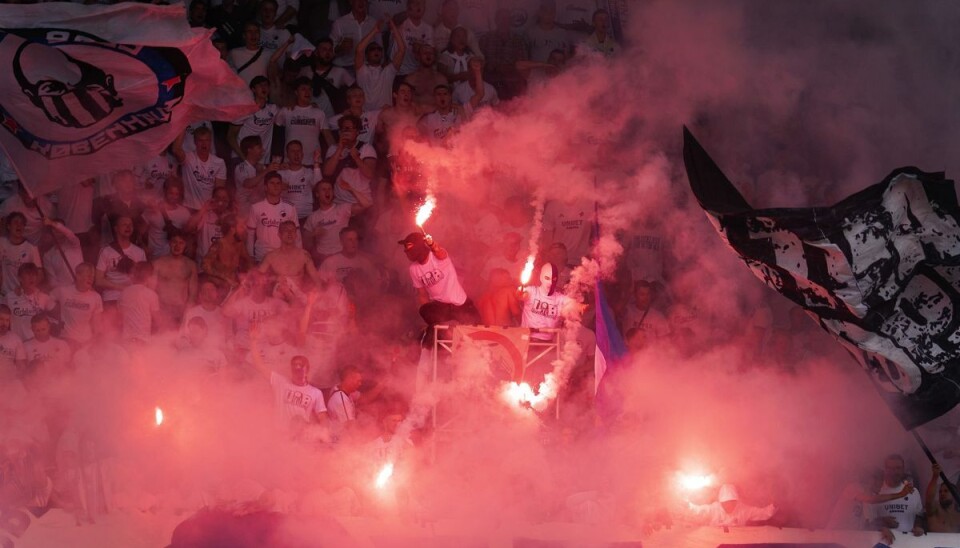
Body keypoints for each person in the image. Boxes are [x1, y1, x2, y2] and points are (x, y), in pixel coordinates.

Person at [399, 231, 479, 339]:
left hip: (461, 305)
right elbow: (422, 294)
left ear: (418, 246)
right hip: (441, 308)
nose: (406, 251)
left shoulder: (436, 256)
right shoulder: (414, 269)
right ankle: (446, 330)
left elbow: (439, 253)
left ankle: (454, 327)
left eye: (408, 247)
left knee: (478, 333)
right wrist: (429, 317)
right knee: (424, 311)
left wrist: (432, 244)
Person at [302, 180, 365, 264]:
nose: (327, 191)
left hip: (341, 255)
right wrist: (313, 234)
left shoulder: (342, 209)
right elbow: (305, 243)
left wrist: (351, 189)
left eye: (329, 189)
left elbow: (365, 204)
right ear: (317, 194)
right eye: (323, 189)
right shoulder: (313, 217)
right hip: (322, 257)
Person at [323, 115, 376, 209]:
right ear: (339, 132)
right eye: (344, 128)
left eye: (350, 128)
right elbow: (327, 172)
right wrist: (339, 149)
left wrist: (356, 158)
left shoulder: (366, 148)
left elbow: (370, 174)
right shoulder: (333, 149)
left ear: (357, 132)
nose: (347, 131)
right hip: (339, 204)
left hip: (361, 202)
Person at [246, 171, 301, 262]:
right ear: (265, 187)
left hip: (284, 257)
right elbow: (250, 234)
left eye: (278, 183)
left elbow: (297, 234)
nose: (275, 186)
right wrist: (251, 256)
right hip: (262, 256)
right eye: (272, 183)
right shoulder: (256, 207)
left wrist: (299, 256)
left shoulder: (290, 207)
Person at [867, 454, 925, 536]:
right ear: (885, 470)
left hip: (908, 542)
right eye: (890, 468)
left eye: (898, 468)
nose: (894, 472)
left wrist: (918, 527)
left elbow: (919, 515)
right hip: (882, 542)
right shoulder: (877, 492)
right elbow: (869, 522)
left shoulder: (913, 492)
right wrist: (882, 522)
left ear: (903, 469)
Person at [95, 216, 147, 307]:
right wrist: (123, 288)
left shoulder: (139, 252)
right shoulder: (106, 251)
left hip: (132, 298)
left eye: (130, 225)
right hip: (111, 298)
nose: (128, 227)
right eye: (124, 225)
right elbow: (98, 280)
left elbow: (145, 279)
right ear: (116, 228)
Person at [173, 126, 228, 211]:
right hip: (188, 207)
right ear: (195, 142)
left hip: (208, 209)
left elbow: (219, 191)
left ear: (210, 142)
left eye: (207, 140)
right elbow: (176, 150)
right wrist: (183, 124)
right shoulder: (188, 158)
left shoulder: (219, 162)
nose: (204, 144)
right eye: (200, 140)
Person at [355, 19, 405, 111]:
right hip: (365, 116)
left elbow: (402, 50)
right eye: (372, 49)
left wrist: (393, 27)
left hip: (384, 116)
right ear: (366, 55)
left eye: (379, 49)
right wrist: (374, 31)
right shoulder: (362, 70)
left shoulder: (388, 71)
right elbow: (359, 50)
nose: (376, 51)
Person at [258, 220, 322, 292]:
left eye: (292, 230)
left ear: (296, 235)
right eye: (286, 230)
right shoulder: (270, 256)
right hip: (278, 298)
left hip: (298, 298)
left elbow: (317, 280)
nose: (290, 233)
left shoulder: (304, 255)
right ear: (279, 234)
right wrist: (275, 278)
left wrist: (319, 298)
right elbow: (258, 277)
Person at [274, 78, 326, 165]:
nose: (307, 92)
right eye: (303, 89)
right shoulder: (286, 110)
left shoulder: (319, 113)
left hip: (314, 162)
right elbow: (276, 135)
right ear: (296, 92)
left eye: (310, 89)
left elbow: (327, 136)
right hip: (290, 163)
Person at [153, 231, 199, 329]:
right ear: (169, 243)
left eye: (181, 243)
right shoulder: (158, 263)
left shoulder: (191, 265)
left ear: (185, 245)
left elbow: (193, 294)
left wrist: (187, 313)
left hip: (181, 311)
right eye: (174, 242)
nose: (177, 246)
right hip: (162, 310)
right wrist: (157, 314)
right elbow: (151, 290)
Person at [50, 263, 103, 349]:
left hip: (86, 342)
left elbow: (97, 324)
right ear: (78, 275)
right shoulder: (63, 291)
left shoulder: (96, 297)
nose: (91, 279)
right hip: (66, 340)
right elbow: (46, 300)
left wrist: (94, 342)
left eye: (93, 277)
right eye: (88, 276)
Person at [229, 76, 279, 165]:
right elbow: (230, 136)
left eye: (266, 85)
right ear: (253, 89)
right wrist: (245, 159)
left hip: (262, 161)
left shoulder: (273, 109)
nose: (264, 87)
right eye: (260, 85)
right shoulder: (244, 110)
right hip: (242, 158)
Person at [141, 177, 192, 259]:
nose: (174, 197)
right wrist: (144, 248)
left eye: (176, 194)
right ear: (165, 192)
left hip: (174, 259)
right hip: (154, 257)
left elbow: (189, 233)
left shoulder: (184, 213)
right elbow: (140, 233)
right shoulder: (153, 209)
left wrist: (188, 246)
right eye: (171, 193)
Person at [686, 484, 777, 527]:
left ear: (736, 501)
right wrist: (687, 505)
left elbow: (762, 513)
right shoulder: (714, 508)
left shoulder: (743, 510)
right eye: (725, 502)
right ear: (721, 502)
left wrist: (774, 506)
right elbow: (699, 511)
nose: (728, 505)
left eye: (731, 502)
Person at [519, 263, 571, 339]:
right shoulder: (531, 291)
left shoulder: (560, 298)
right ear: (541, 277)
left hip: (548, 343)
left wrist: (579, 306)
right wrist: (520, 292)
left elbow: (575, 306)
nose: (550, 282)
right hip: (526, 339)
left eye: (553, 279)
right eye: (547, 278)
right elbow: (520, 295)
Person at [5, 263, 54, 342]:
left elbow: (56, 315)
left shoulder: (44, 297)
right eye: (28, 274)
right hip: (18, 342)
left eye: (34, 275)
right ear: (20, 278)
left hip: (37, 343)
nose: (31, 278)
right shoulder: (10, 297)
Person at [203, 214, 254, 288]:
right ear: (232, 229)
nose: (245, 229)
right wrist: (225, 278)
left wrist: (250, 275)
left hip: (232, 285)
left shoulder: (240, 245)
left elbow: (248, 260)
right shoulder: (219, 244)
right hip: (218, 286)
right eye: (242, 227)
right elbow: (205, 265)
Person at [118, 262, 161, 345]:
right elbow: (157, 320)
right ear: (149, 277)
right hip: (143, 339)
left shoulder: (124, 292)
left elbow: (119, 314)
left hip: (126, 339)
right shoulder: (151, 294)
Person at [279, 141, 321, 223]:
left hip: (306, 217)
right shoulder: (280, 173)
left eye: (298, 151)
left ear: (302, 154)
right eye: (293, 151)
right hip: (286, 218)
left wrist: (316, 163)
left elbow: (320, 186)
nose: (296, 154)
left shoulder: (308, 172)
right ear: (287, 155)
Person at [330, 0, 379, 70]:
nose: (361, 2)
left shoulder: (373, 22)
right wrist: (340, 48)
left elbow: (380, 47)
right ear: (351, 1)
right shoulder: (339, 23)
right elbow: (330, 50)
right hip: (345, 66)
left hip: (367, 67)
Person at [1, 212, 40, 296]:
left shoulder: (32, 247)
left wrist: (28, 288)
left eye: (22, 223)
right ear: (8, 226)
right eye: (16, 222)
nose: (19, 225)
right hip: (4, 294)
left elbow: (40, 273)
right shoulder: (1, 243)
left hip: (23, 295)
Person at [394, 0, 433, 77]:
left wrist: (420, 50)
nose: (418, 5)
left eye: (421, 4)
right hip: (402, 72)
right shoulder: (401, 26)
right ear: (409, 8)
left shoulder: (429, 29)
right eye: (415, 3)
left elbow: (431, 53)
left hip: (420, 74)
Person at [404, 44, 449, 109]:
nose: (428, 55)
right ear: (418, 56)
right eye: (425, 53)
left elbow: (447, 102)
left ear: (435, 57)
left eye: (431, 53)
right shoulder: (410, 80)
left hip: (436, 117)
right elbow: (404, 102)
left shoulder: (441, 80)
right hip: (416, 117)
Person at [925, 463, 960, 532]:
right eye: (940, 492)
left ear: (954, 494)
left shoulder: (958, 516)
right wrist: (935, 476)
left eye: (946, 491)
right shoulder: (935, 510)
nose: (942, 493)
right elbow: (929, 500)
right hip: (934, 542)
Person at [0, 304, 26, 382]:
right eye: (1, 319)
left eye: (7, 320)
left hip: (9, 383)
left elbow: (21, 367)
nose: (4, 323)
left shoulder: (15, 339)